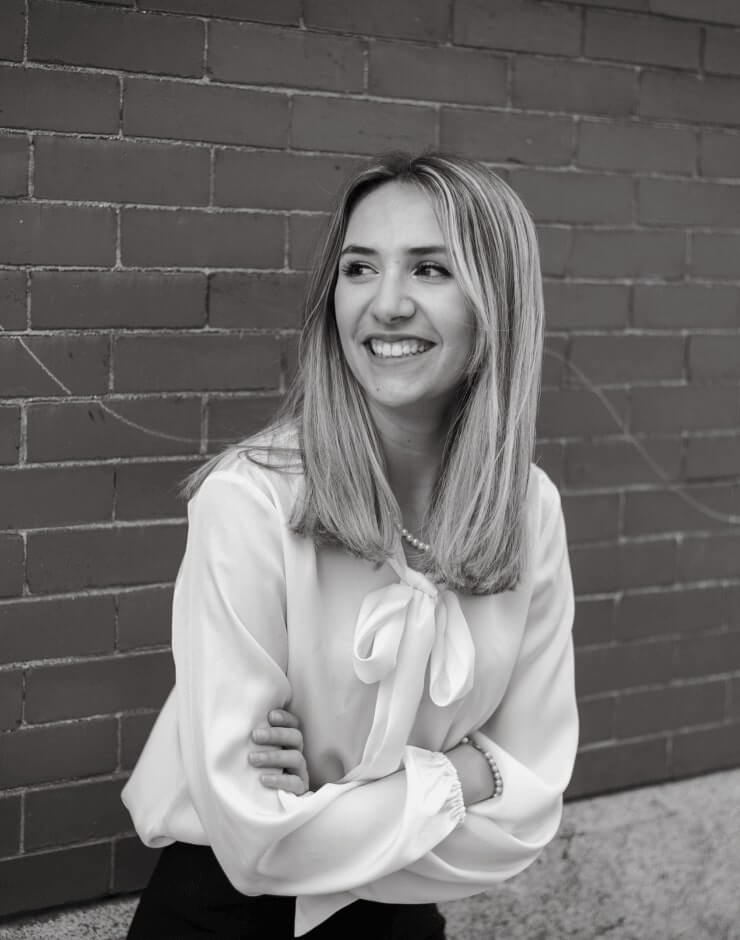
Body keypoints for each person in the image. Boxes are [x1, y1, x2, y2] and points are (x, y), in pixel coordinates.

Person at [122, 152, 578, 939]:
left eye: (431, 269)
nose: (386, 304)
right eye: (360, 268)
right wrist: (464, 776)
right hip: (226, 920)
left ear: (497, 301)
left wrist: (326, 804)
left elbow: (529, 815)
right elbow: (257, 844)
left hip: (404, 923)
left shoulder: (527, 508)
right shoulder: (251, 500)